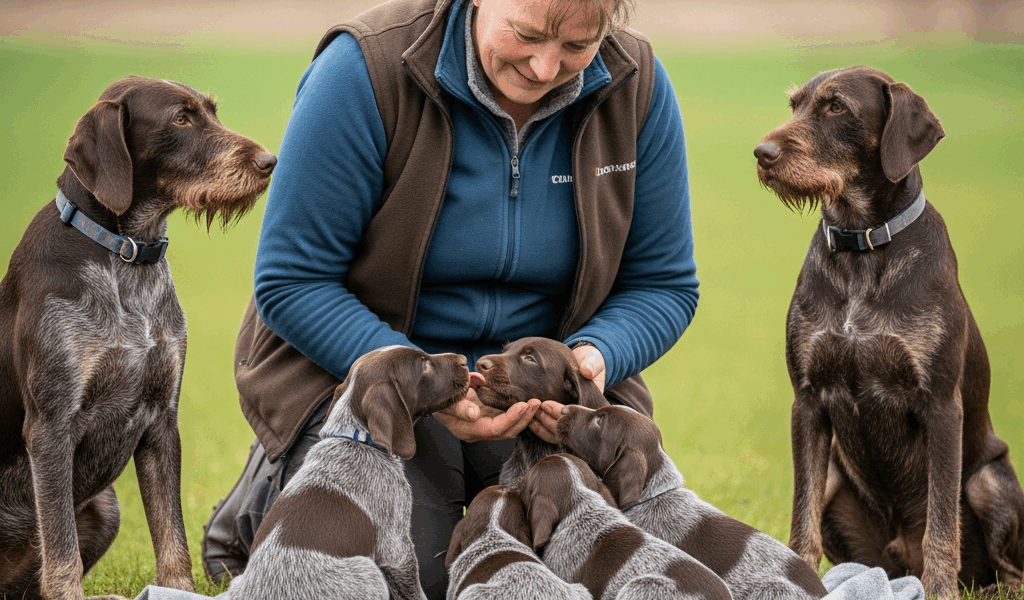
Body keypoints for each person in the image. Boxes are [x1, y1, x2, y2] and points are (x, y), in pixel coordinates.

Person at [201, 0, 698, 597]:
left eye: (577, 45)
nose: (544, 68)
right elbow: (292, 280)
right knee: (418, 574)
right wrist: (419, 381)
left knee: (608, 572)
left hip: (540, 393)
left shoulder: (636, 84)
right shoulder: (364, 69)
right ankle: (261, 503)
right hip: (390, 379)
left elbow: (664, 284)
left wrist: (595, 355)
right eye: (526, 34)